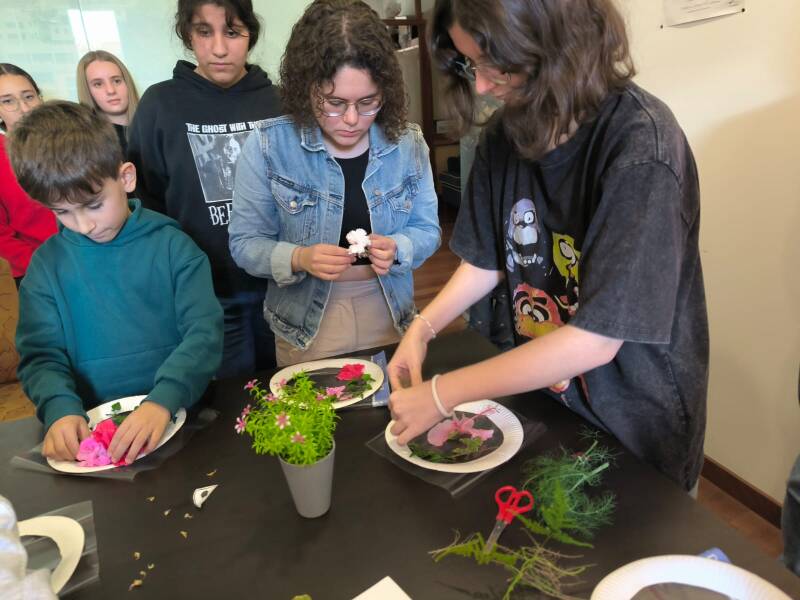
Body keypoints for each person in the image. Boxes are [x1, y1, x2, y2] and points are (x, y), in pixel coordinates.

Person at [387, 0, 709, 492]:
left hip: (634, 426)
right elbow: (487, 260)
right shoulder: (505, 134)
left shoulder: (642, 147)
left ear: (556, 44)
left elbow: (596, 339)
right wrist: (422, 328)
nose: (483, 86)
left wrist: (440, 393)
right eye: (471, 65)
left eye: (496, 65)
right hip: (547, 400)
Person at [228, 0, 440, 366]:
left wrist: (399, 247)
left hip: (390, 310)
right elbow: (245, 244)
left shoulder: (408, 144)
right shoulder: (268, 145)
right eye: (335, 103)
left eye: (368, 101)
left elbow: (428, 230)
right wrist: (298, 258)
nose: (352, 119)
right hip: (304, 322)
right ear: (306, 87)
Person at [10, 101, 223, 465]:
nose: (83, 225)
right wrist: (60, 410)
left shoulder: (175, 248)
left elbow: (204, 334)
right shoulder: (46, 267)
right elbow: (41, 355)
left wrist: (163, 400)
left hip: (181, 415)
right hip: (92, 432)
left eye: (93, 205)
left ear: (126, 178)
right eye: (62, 212)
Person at [128, 0, 282, 378]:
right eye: (203, 32)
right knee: (229, 399)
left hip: (281, 286)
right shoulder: (160, 105)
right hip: (207, 294)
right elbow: (147, 203)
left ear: (250, 33)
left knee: (290, 388)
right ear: (187, 34)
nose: (219, 48)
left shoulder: (279, 102)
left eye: (232, 32)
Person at [0, 64, 57, 286]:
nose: (24, 108)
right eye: (8, 101)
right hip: (37, 274)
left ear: (40, 99)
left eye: (28, 97)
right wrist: (48, 268)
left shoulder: (67, 142)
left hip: (91, 255)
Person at [76, 50, 141, 157]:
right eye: (98, 84)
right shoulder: (86, 145)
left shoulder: (154, 125)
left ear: (127, 82)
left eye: (117, 81)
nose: (111, 90)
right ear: (87, 91)